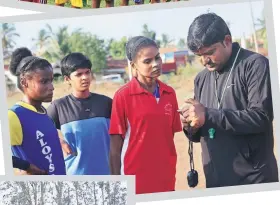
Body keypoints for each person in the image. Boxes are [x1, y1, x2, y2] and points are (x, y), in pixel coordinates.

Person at [179, 13, 279, 188]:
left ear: (227, 40)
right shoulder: (201, 79)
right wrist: (191, 126)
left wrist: (208, 115)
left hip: (253, 179)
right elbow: (202, 130)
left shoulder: (255, 65)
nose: (204, 61)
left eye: (210, 52)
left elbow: (261, 118)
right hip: (216, 180)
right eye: (199, 55)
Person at [109, 36, 182, 194]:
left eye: (157, 58)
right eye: (147, 61)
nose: (155, 64)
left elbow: (168, 137)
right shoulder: (123, 96)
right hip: (135, 179)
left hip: (166, 176)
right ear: (134, 65)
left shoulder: (169, 93)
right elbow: (115, 147)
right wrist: (116, 184)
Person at [46, 52, 112, 175]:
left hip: (107, 175)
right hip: (75, 177)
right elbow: (38, 131)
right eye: (79, 74)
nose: (85, 77)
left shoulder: (106, 103)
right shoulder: (59, 106)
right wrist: (58, 141)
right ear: (67, 79)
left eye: (87, 72)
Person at [8, 47, 66, 175]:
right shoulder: (15, 116)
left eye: (51, 80)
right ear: (24, 82)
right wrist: (26, 167)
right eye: (44, 81)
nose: (51, 87)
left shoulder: (44, 113)